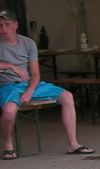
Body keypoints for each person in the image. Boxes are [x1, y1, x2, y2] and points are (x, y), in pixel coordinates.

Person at [0, 9, 93, 159]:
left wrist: (30, 91)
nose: (3, 29)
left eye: (7, 24)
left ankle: (73, 143)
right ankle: (8, 145)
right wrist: (10, 66)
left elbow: (36, 74)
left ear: (15, 25)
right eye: (0, 25)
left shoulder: (28, 43)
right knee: (10, 111)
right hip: (8, 86)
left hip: (29, 84)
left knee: (67, 96)